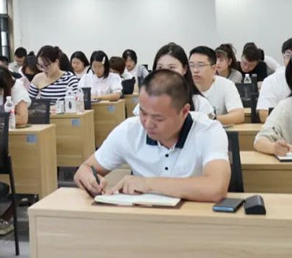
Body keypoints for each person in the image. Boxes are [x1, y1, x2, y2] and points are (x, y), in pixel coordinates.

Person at [73, 70, 230, 202]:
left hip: (194, 219)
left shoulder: (208, 130)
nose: (147, 124)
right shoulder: (129, 130)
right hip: (143, 220)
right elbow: (85, 169)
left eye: (158, 118)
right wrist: (88, 178)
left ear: (184, 112)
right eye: (143, 113)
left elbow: (216, 188)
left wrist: (147, 184)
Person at [132, 44, 215, 118]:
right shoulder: (146, 102)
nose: (165, 73)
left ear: (185, 69)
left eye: (172, 67)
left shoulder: (200, 103)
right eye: (160, 67)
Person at [188, 46, 244, 125]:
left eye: (200, 65)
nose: (195, 70)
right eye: (191, 65)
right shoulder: (183, 87)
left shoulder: (226, 85)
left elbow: (239, 116)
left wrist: (210, 119)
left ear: (213, 68)